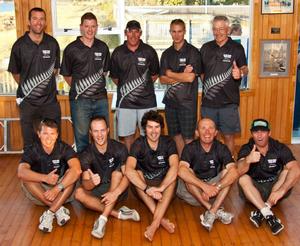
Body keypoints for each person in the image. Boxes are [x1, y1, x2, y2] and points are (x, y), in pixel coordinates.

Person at [74, 116, 140, 239]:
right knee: (78, 193)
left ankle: (102, 219)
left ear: (108, 130)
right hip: (97, 191)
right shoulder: (85, 154)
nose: (99, 135)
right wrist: (92, 182)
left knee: (117, 174)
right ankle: (117, 214)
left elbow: (128, 175)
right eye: (95, 131)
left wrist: (115, 192)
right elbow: (86, 185)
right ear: (90, 133)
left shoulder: (120, 148)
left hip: (117, 190)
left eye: (102, 130)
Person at [8, 7, 61, 149]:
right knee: (30, 142)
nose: (38, 22)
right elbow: (15, 73)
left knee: (54, 139)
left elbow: (55, 70)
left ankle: (55, 169)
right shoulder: (19, 45)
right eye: (35, 18)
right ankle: (31, 170)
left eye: (42, 19)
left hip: (50, 103)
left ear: (45, 22)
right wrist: (31, 90)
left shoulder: (52, 43)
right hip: (28, 104)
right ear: (29, 22)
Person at [17, 119, 81, 233]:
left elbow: (76, 170)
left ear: (57, 135)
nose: (48, 137)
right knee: (26, 179)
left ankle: (50, 212)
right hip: (41, 194)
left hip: (62, 192)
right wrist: (44, 178)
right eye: (45, 133)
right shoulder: (32, 149)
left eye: (52, 134)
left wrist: (57, 188)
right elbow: (21, 172)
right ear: (39, 134)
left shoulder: (64, 147)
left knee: (71, 175)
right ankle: (58, 209)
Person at [238, 119, 300, 235]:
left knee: (287, 170)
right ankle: (269, 214)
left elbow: (296, 169)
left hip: (275, 190)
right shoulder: (247, 148)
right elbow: (238, 171)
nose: (260, 135)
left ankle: (262, 210)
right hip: (254, 191)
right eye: (256, 132)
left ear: (269, 133)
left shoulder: (279, 147)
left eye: (263, 131)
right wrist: (247, 160)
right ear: (252, 134)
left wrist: (281, 190)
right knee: (243, 178)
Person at [177, 118, 239, 232]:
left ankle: (211, 212)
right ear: (197, 132)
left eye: (211, 128)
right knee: (187, 172)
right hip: (193, 193)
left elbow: (234, 172)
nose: (207, 132)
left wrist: (217, 187)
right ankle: (214, 210)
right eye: (203, 128)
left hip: (213, 193)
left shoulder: (221, 148)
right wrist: (204, 187)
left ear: (216, 133)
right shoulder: (190, 148)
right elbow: (181, 171)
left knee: (229, 172)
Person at [60, 12, 110, 153]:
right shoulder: (71, 49)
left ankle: (102, 168)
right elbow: (67, 75)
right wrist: (82, 90)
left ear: (97, 27)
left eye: (93, 26)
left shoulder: (103, 47)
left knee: (103, 136)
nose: (90, 29)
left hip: (101, 100)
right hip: (80, 101)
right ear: (81, 27)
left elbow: (104, 72)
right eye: (87, 26)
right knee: (82, 138)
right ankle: (86, 171)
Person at [125, 110, 179, 241]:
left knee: (172, 178)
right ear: (144, 129)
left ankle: (154, 224)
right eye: (150, 127)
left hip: (164, 188)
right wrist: (147, 188)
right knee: (136, 173)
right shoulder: (138, 144)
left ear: (161, 128)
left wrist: (161, 188)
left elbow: (175, 166)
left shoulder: (169, 142)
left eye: (157, 127)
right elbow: (128, 170)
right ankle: (161, 220)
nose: (153, 131)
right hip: (145, 189)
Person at [199, 15, 248, 155]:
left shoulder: (237, 48)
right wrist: (211, 88)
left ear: (228, 29)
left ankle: (229, 166)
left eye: (221, 29)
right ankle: (210, 166)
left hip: (229, 103)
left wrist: (240, 73)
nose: (218, 32)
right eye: (215, 29)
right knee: (208, 138)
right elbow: (202, 73)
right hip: (208, 104)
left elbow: (245, 68)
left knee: (228, 137)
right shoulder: (206, 48)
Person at [110, 20, 159, 151]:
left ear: (140, 33)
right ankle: (131, 164)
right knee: (128, 137)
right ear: (125, 33)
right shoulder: (118, 52)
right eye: (130, 31)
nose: (133, 35)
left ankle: (148, 165)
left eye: (136, 31)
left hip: (147, 103)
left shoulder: (149, 51)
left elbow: (154, 75)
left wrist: (141, 90)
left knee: (150, 136)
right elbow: (115, 78)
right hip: (125, 103)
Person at [159, 19, 200, 157]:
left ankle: (190, 167)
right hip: (171, 103)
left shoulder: (193, 52)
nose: (177, 35)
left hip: (187, 103)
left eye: (180, 31)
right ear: (170, 32)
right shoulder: (166, 54)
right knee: (175, 136)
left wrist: (170, 73)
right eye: (174, 31)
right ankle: (183, 166)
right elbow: (162, 79)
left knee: (188, 138)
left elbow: (190, 78)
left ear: (184, 32)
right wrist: (181, 74)